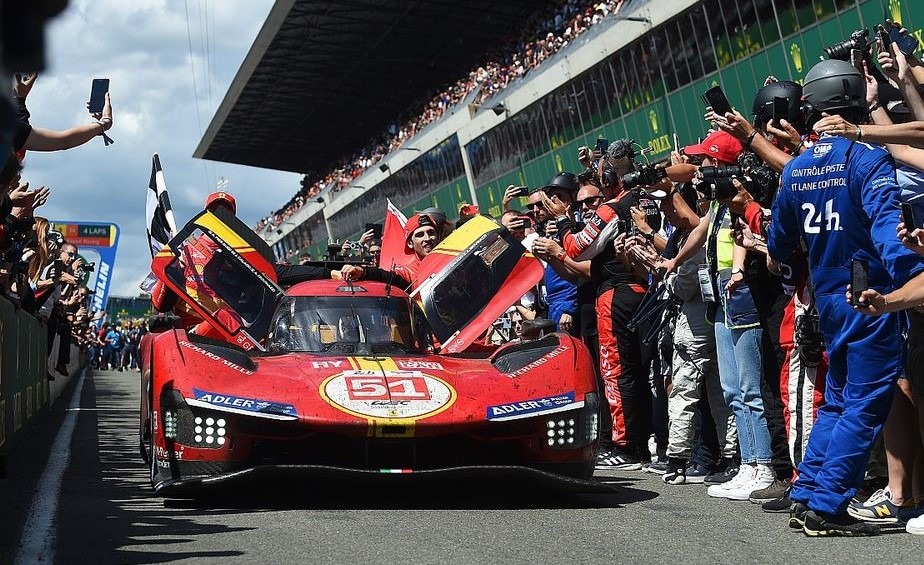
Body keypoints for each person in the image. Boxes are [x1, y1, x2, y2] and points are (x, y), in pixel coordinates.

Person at [767, 59, 924, 537]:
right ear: (854, 97)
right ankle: (827, 504)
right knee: (865, 403)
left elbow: (778, 243)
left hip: (828, 294)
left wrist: (796, 271)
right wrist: (912, 285)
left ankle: (806, 492)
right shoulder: (864, 157)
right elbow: (887, 229)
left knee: (837, 398)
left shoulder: (795, 167)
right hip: (867, 289)